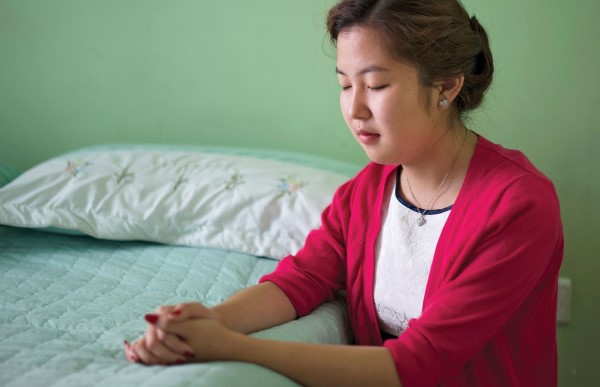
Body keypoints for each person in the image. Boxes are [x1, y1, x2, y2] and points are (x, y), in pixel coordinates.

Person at [124, 0, 564, 385]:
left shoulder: (520, 205)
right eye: (344, 85)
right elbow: (302, 280)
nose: (354, 109)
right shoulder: (367, 191)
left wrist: (229, 347)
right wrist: (206, 321)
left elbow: (414, 365)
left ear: (447, 85)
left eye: (375, 86)